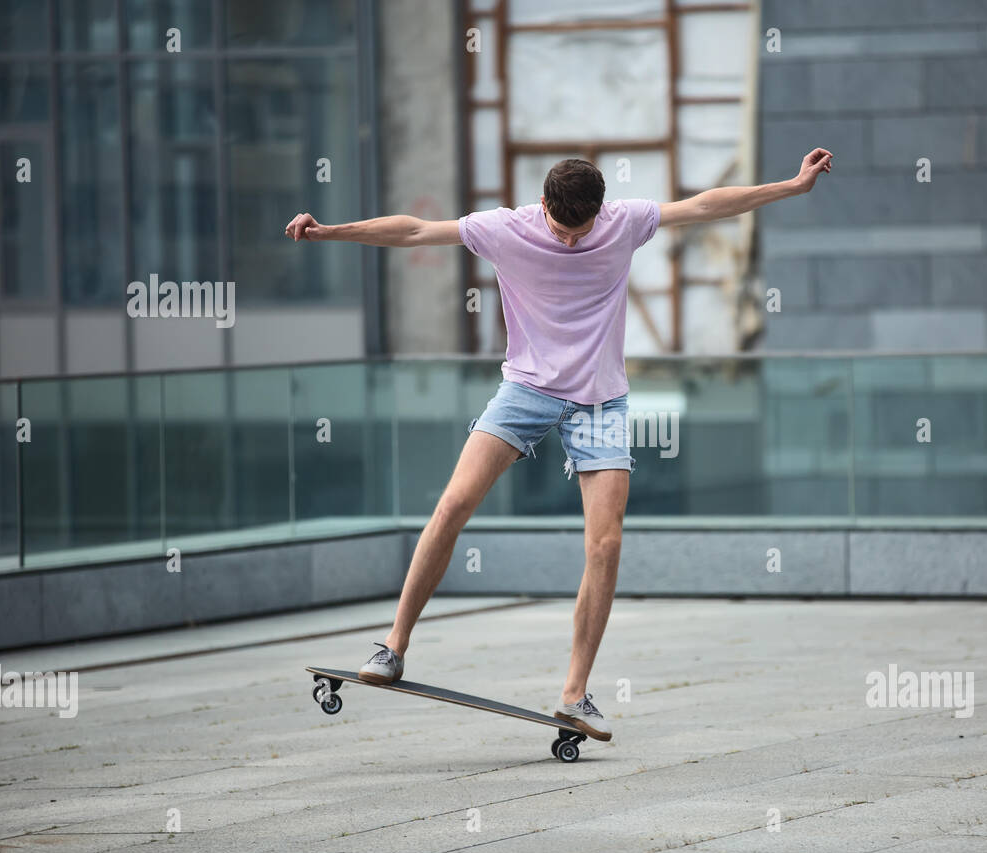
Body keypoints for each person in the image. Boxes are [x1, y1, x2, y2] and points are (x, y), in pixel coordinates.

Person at [284, 147, 832, 742]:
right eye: (561, 231)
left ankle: (575, 694)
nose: (571, 244)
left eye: (582, 233)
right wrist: (330, 232)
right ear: (543, 205)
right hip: (525, 390)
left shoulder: (623, 221)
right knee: (453, 504)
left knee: (606, 543)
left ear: (600, 212)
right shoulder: (504, 228)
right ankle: (393, 645)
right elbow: (415, 230)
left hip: (601, 400)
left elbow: (704, 205)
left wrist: (792, 187)